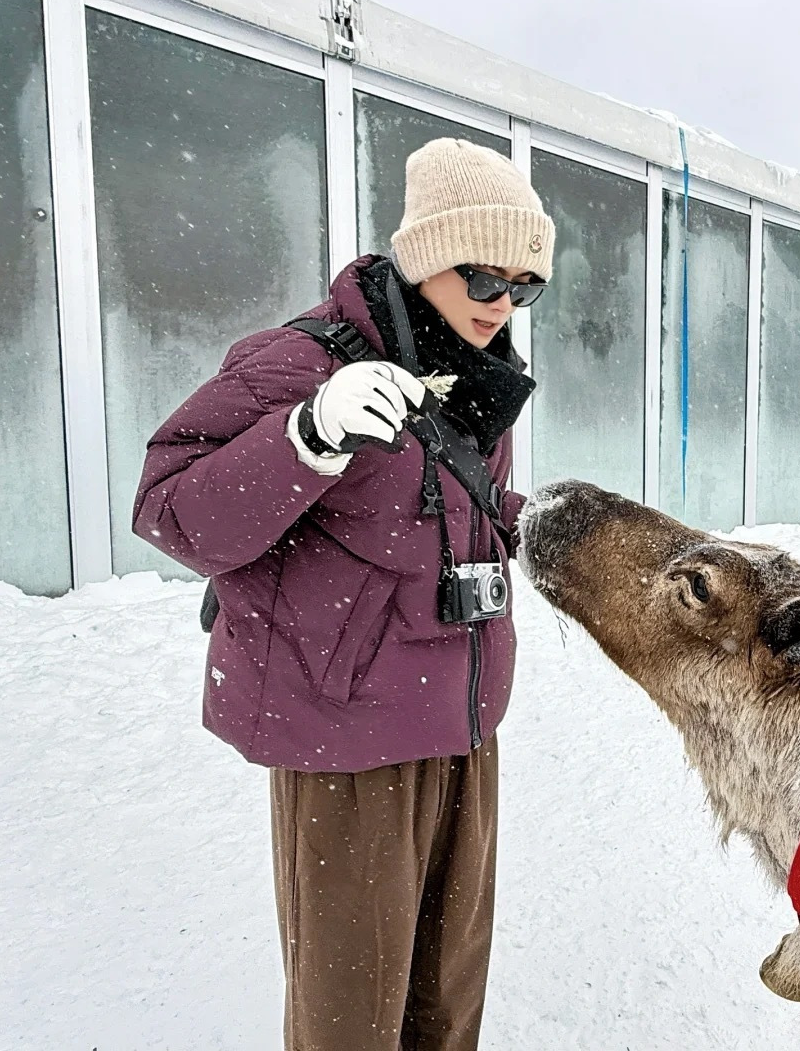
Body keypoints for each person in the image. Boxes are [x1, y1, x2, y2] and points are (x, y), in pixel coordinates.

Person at [133, 138, 554, 1050]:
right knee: (351, 1017)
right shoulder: (300, 362)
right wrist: (305, 436)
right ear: (424, 257)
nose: (503, 307)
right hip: (347, 740)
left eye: (527, 288)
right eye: (486, 279)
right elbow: (169, 510)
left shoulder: (477, 375)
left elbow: (440, 510)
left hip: (464, 729)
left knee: (445, 1003)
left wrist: (535, 523)